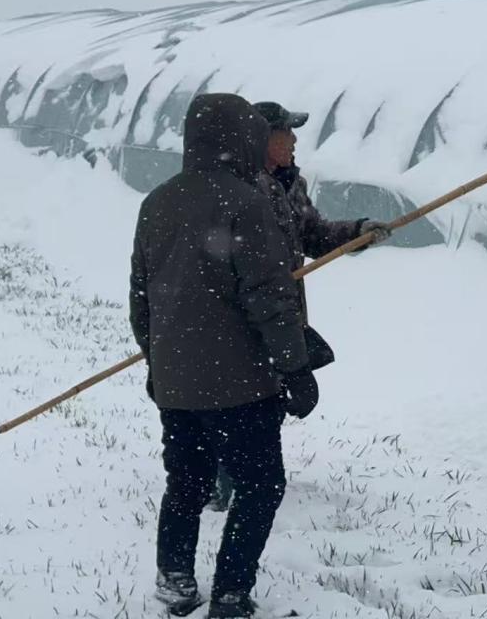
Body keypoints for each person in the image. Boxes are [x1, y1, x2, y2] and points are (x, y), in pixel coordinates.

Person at [130, 93, 314, 618]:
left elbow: (141, 298)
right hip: (240, 388)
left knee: (185, 483)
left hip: (178, 386)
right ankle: (231, 592)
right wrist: (294, 367)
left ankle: (175, 581)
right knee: (261, 486)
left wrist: (157, 363)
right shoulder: (246, 203)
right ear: (242, 138)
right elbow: (270, 300)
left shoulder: (157, 202)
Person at [207, 100, 392, 511]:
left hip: (283, 312)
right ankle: (222, 481)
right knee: (238, 396)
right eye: (285, 132)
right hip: (243, 314)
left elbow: (313, 234)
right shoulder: (237, 189)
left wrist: (357, 232)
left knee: (269, 394)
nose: (293, 139)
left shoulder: (291, 184)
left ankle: (251, 474)